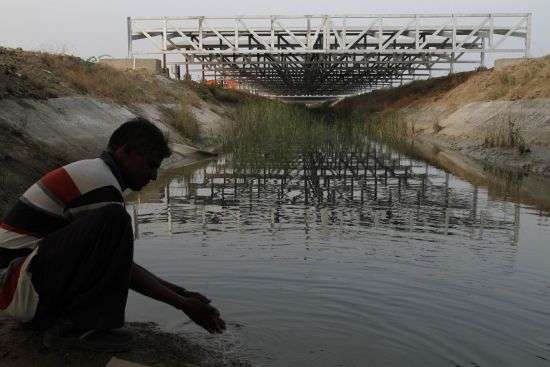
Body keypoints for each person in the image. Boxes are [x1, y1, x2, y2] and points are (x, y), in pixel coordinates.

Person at [0, 117, 225, 352]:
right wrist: (182, 303)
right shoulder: (100, 183)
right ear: (125, 151)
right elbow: (123, 270)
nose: (154, 175)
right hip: (15, 283)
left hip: (23, 278)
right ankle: (80, 329)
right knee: (115, 219)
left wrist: (183, 295)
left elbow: (115, 264)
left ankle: (71, 322)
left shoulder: (97, 174)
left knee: (114, 220)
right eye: (150, 165)